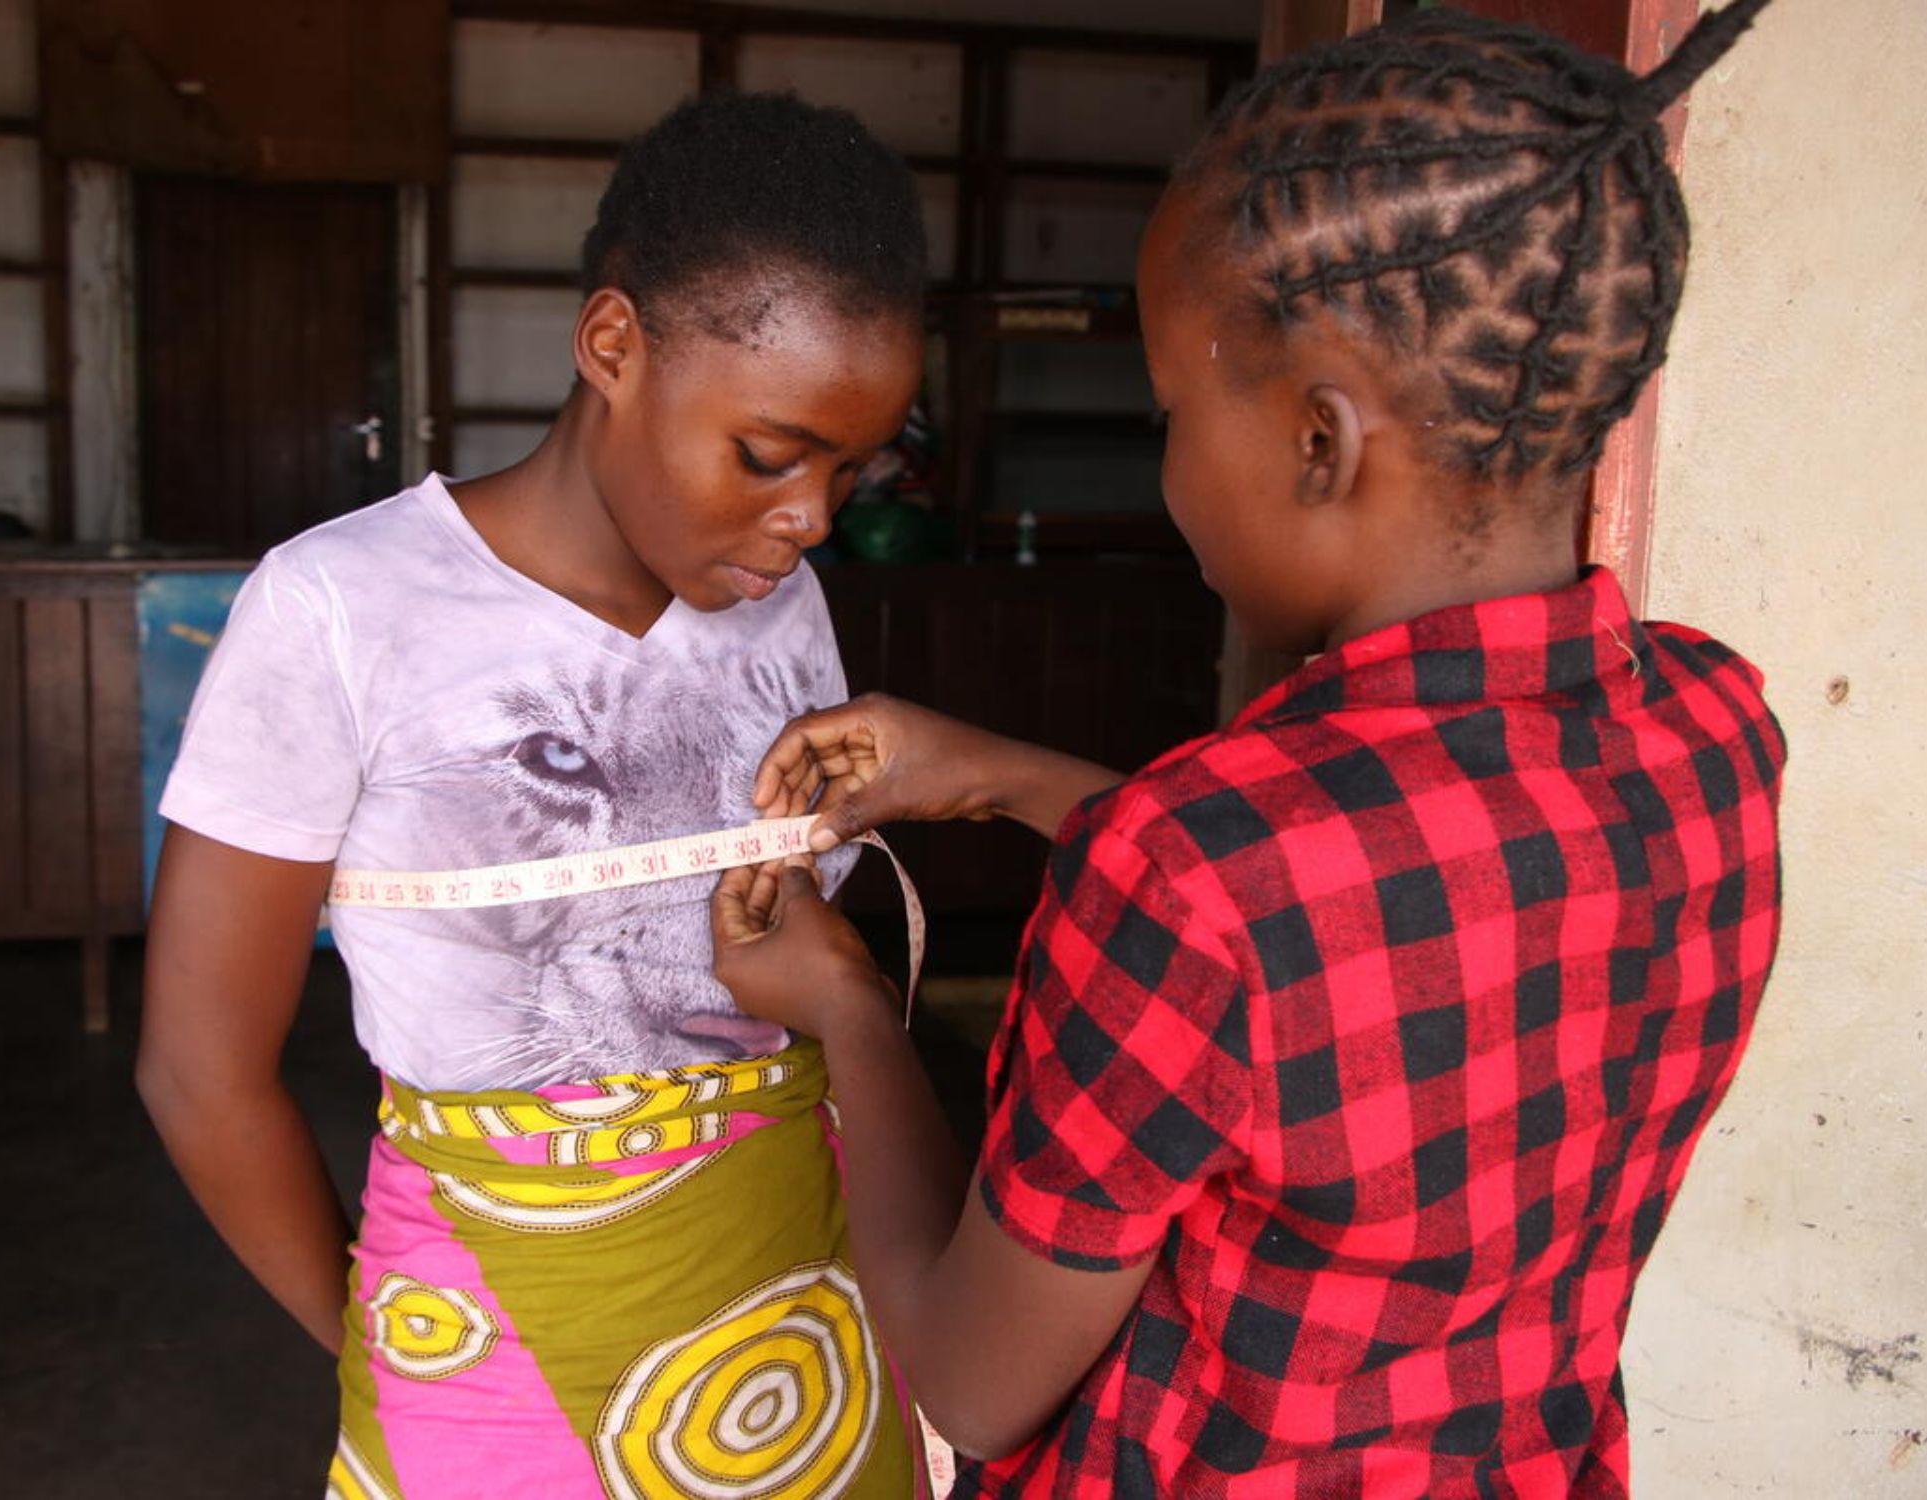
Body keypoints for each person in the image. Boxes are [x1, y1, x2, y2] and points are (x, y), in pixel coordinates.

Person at [711, 4, 1784, 1496]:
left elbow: (970, 1377)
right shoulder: (1712, 729)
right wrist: (1002, 775)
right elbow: (1378, 925)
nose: (1164, 469)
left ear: (1318, 443)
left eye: (1169, 412)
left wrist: (846, 1014)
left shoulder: (1191, 872)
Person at [139, 93, 933, 1497]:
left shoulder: (783, 603)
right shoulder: (340, 607)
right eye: (769, 453)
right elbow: (200, 1071)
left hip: (798, 1292)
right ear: (613, 345)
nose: (812, 515)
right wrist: (393, 1346)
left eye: (848, 466)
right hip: (485, 1319)